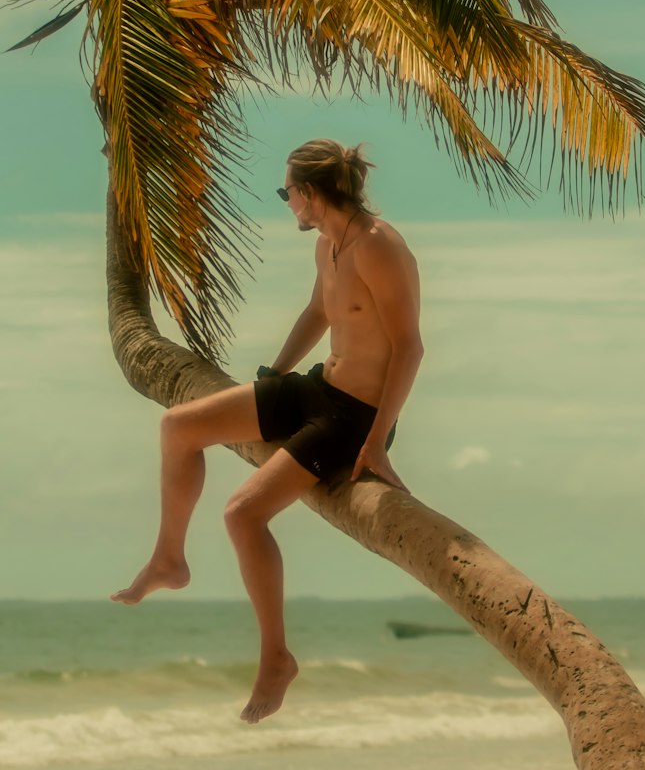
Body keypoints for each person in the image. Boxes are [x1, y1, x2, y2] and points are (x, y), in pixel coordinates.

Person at [111, 140, 423, 724]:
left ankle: (276, 657)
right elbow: (318, 314)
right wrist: (274, 377)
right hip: (314, 389)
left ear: (308, 194)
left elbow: (410, 347)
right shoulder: (331, 245)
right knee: (178, 427)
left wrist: (377, 442)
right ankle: (168, 559)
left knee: (241, 514)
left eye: (286, 194)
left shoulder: (379, 247)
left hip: (351, 418)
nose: (287, 205)